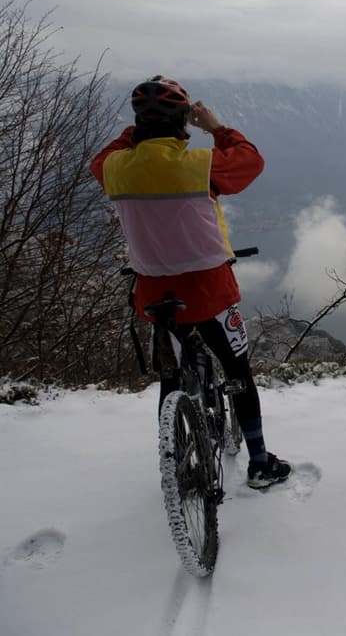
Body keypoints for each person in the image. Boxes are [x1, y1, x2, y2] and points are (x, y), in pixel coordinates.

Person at [91, 75, 291, 489]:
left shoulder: (114, 168)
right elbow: (250, 161)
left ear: (137, 123)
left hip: (153, 293)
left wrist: (137, 133)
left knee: (171, 379)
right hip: (208, 291)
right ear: (183, 118)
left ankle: (176, 457)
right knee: (238, 371)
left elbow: (107, 154)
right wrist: (214, 127)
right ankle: (258, 462)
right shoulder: (198, 164)